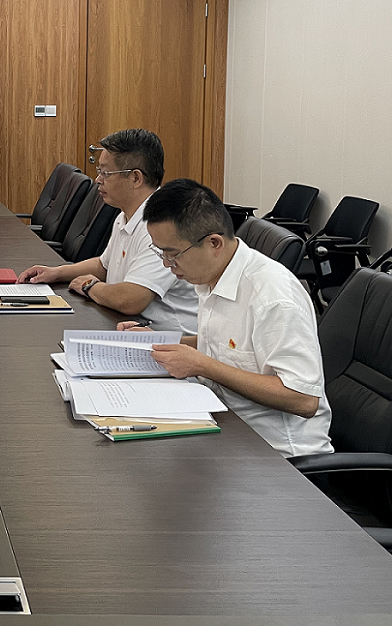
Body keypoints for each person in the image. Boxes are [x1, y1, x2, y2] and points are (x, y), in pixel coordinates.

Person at [133, 178, 333, 458]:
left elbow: (303, 399)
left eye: (173, 254)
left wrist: (202, 365)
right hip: (222, 422)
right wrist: (163, 342)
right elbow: (227, 345)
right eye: (161, 254)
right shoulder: (212, 273)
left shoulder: (273, 297)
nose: (168, 265)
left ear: (214, 243)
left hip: (275, 453)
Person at [19, 129, 198, 334]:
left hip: (165, 340)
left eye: (106, 173)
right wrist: (57, 272)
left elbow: (131, 299)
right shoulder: (125, 215)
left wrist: (89, 286)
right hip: (126, 327)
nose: (98, 179)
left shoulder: (163, 225)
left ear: (136, 178)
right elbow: (104, 265)